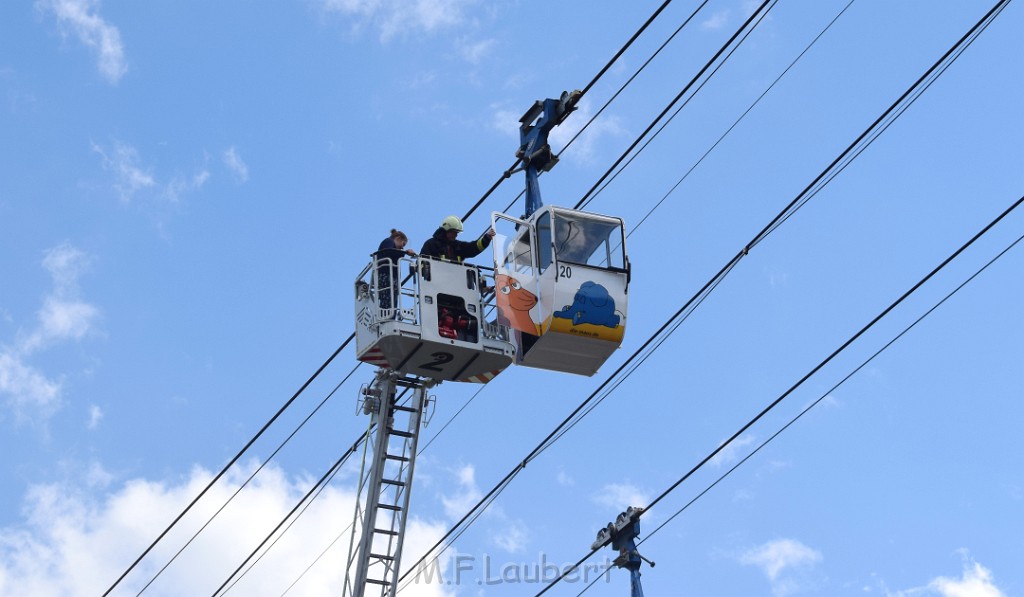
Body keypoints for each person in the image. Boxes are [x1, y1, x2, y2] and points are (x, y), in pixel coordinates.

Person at [420, 215, 496, 263]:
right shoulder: (431, 244)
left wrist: (486, 238)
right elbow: (422, 264)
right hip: (436, 284)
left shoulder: (458, 246)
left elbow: (473, 248)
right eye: (454, 232)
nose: (456, 235)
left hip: (457, 283)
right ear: (447, 230)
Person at [375, 229, 416, 312]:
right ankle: (386, 316)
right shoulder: (388, 241)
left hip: (389, 276)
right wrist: (405, 252)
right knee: (388, 301)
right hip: (386, 275)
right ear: (398, 238)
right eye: (403, 244)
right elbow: (390, 252)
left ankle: (389, 315)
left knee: (391, 301)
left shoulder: (390, 244)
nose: (402, 247)